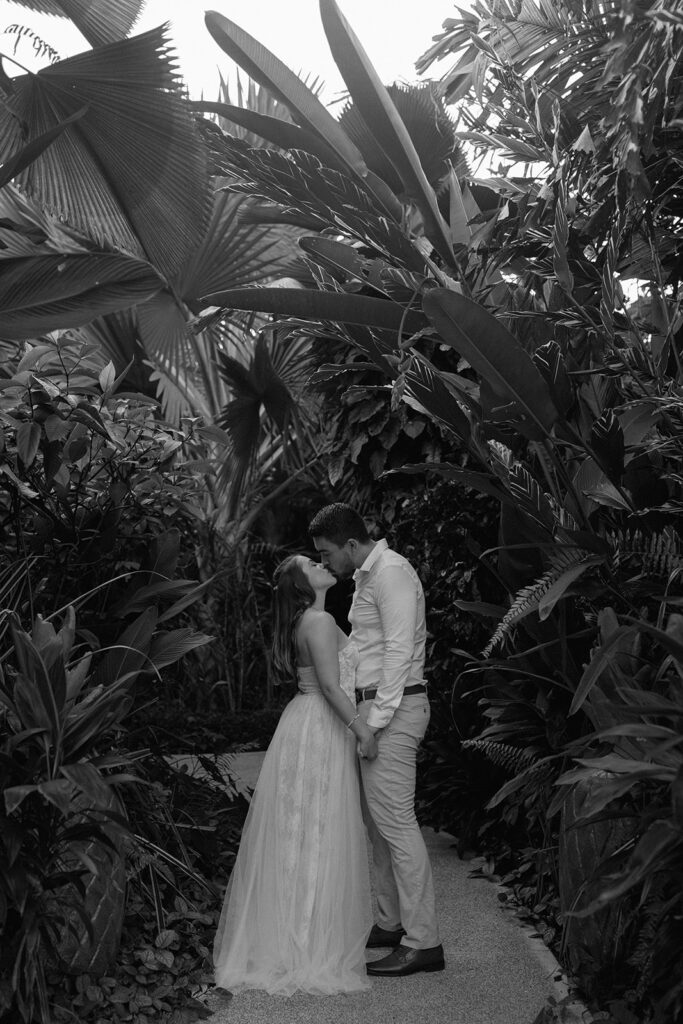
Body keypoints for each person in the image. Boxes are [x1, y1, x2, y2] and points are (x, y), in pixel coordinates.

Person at [213, 554, 377, 996]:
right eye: (311, 563)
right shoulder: (319, 621)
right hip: (321, 726)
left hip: (305, 723)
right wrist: (361, 730)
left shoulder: (311, 619)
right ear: (302, 584)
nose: (321, 563)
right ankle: (304, 942)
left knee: (300, 830)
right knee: (315, 830)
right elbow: (329, 685)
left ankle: (294, 934)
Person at [309, 503, 445, 977]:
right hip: (376, 706)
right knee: (377, 823)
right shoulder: (367, 576)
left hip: (396, 708)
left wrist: (377, 722)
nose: (324, 563)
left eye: (326, 554)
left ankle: (423, 941)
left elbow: (400, 650)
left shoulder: (391, 574)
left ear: (350, 544)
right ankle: (389, 922)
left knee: (397, 823)